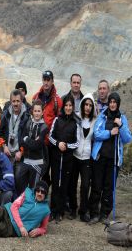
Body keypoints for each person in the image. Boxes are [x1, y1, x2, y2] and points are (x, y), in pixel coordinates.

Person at [89, 92, 131, 224]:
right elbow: (96, 134)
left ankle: (105, 214)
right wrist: (110, 132)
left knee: (109, 187)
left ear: (117, 104)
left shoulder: (122, 118)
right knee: (97, 185)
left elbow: (127, 139)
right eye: (110, 102)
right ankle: (94, 213)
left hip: (113, 159)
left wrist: (121, 126)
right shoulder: (102, 116)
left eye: (115, 102)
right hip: (100, 157)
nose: (112, 104)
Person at [48, 95, 79, 223]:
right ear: (63, 106)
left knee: (64, 185)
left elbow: (77, 143)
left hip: (67, 160)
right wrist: (58, 144)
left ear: (73, 107)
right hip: (56, 158)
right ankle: (53, 210)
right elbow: (50, 136)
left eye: (70, 105)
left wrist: (66, 146)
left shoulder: (75, 123)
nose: (68, 107)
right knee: (55, 184)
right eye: (66, 105)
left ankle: (60, 212)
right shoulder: (57, 119)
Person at [68, 94, 96, 222]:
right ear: (82, 104)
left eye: (90, 105)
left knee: (85, 185)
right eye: (86, 104)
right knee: (72, 184)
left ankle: (83, 211)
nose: (88, 107)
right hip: (75, 156)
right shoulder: (76, 117)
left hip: (86, 158)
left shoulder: (95, 121)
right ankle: (73, 209)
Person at [32, 70, 63, 185]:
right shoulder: (35, 97)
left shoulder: (57, 101)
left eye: (48, 80)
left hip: (50, 143)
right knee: (36, 170)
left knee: (46, 171)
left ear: (52, 81)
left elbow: (59, 122)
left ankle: (43, 196)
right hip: (37, 142)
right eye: (44, 79)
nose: (46, 82)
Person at [17, 100, 48, 196]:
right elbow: (21, 140)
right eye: (35, 111)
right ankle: (22, 206)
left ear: (42, 112)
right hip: (26, 160)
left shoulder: (44, 127)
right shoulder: (28, 123)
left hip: (37, 163)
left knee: (33, 188)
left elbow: (37, 145)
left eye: (39, 111)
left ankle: (32, 208)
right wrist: (30, 141)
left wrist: (27, 139)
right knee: (20, 183)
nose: (37, 113)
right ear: (32, 112)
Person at [0, 89, 30, 182]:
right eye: (13, 101)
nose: (15, 104)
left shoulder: (26, 117)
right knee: (5, 177)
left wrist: (21, 152)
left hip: (19, 156)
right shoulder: (5, 114)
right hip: (6, 153)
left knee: (18, 179)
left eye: (18, 101)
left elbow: (28, 138)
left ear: (22, 101)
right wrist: (4, 146)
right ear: (10, 101)